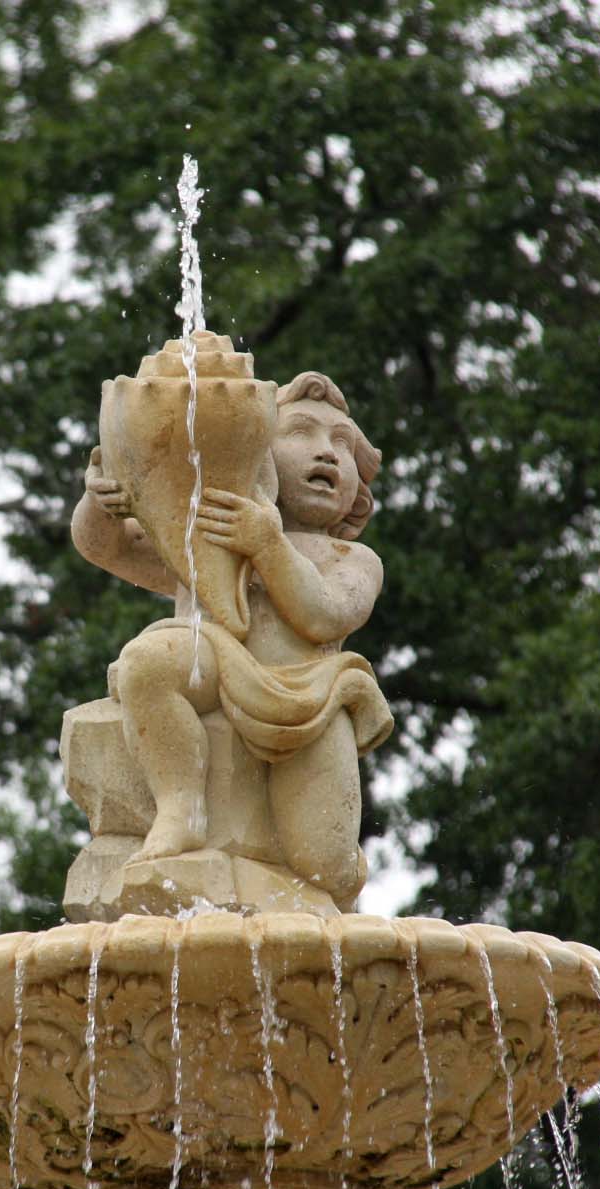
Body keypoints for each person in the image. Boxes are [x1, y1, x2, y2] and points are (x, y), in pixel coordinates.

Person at [70, 371, 393, 906]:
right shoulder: (206, 534)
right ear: (255, 455)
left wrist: (268, 545)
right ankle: (182, 809)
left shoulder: (353, 559)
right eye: (302, 434)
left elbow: (324, 617)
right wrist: (101, 505)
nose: (327, 454)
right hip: (212, 664)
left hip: (304, 697)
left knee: (324, 865)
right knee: (148, 661)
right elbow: (110, 550)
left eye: (343, 446)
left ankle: (335, 870)